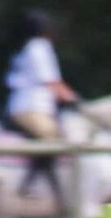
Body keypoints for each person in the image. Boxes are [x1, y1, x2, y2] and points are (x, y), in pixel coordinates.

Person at [5, 11, 78, 141]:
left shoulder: (26, 47)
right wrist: (72, 98)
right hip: (32, 107)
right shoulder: (39, 47)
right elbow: (50, 81)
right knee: (52, 138)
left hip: (29, 105)